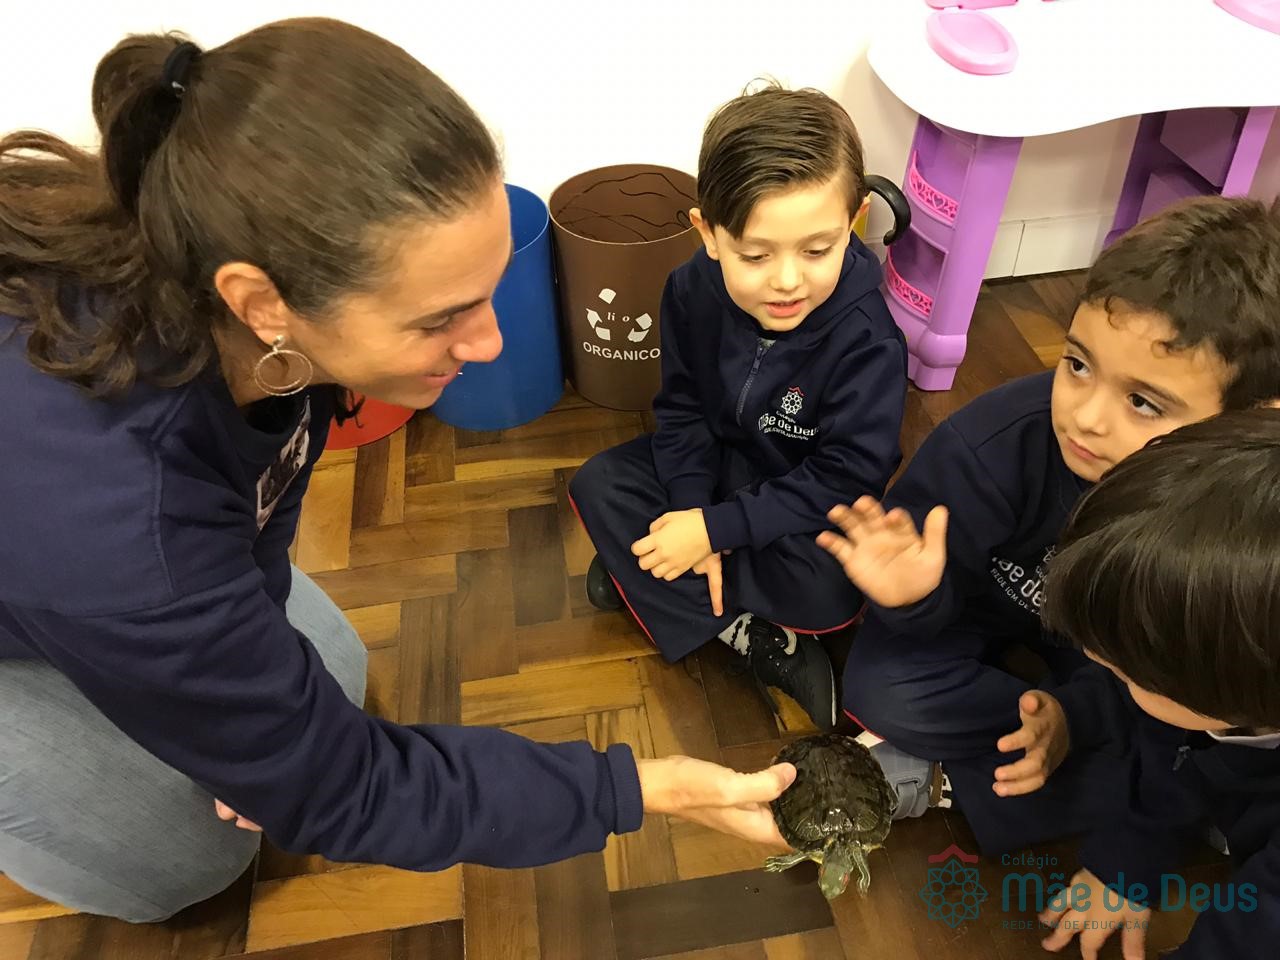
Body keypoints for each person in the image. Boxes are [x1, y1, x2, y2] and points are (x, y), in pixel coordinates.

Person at [0, 19, 794, 924]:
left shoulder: (255, 318)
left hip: (90, 574)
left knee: (328, 672)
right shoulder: (124, 519)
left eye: (485, 293)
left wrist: (247, 731)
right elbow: (349, 791)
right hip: (75, 564)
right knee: (185, 862)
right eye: (439, 319)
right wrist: (644, 788)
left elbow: (263, 493)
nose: (489, 342)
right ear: (262, 303)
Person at [818, 196, 1280, 835]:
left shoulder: (1235, 511)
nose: (1085, 417)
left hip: (1128, 664)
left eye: (1144, 403)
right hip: (999, 623)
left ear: (1248, 422)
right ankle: (1088, 768)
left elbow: (1190, 671)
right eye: (1078, 364)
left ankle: (987, 773)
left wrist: (1077, 715)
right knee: (884, 688)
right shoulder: (986, 448)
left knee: (1187, 745)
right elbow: (929, 614)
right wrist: (913, 597)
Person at [570, 84, 908, 731]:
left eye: (818, 250)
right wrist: (693, 511)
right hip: (719, 468)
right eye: (755, 255)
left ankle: (652, 571)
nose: (787, 280)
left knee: (835, 587)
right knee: (599, 483)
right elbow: (681, 410)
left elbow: (845, 478)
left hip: (798, 499)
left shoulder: (869, 341)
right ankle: (738, 623)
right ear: (708, 233)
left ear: (855, 221)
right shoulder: (688, 288)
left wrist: (713, 533)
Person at [1036, 409, 1280, 960]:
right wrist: (1128, 859)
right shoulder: (1214, 688)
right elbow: (1176, 747)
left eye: (1129, 671)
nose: (1093, 657)